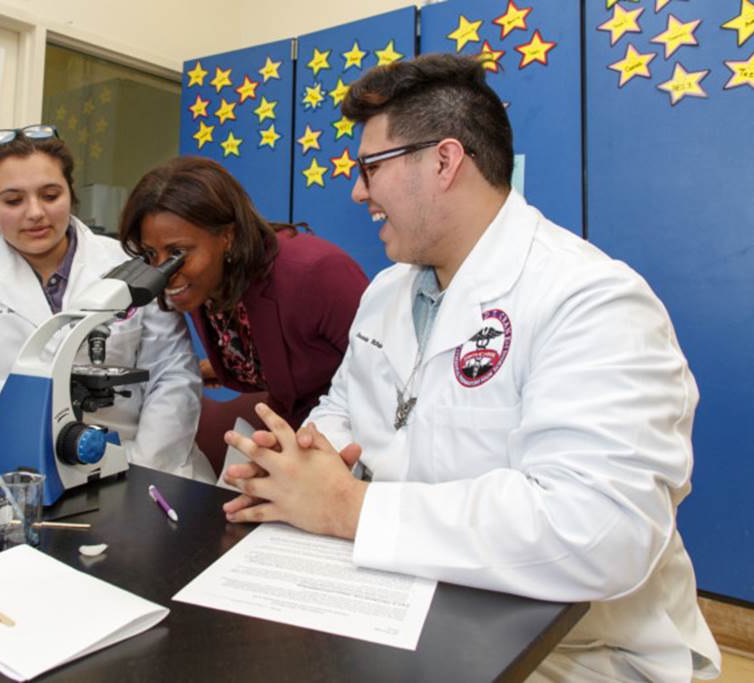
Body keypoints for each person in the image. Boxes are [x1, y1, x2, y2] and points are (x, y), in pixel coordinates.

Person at [221, 55, 720, 681]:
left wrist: (349, 507)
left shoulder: (590, 298)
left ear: (444, 160)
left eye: (368, 168)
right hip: (417, 610)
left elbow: (598, 532)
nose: (357, 191)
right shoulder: (386, 293)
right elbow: (344, 406)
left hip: (581, 653)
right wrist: (306, 462)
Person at [0, 125, 212, 482]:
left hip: (137, 458)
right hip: (14, 464)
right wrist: (46, 397)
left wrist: (145, 467)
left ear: (71, 192)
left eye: (50, 195)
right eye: (13, 200)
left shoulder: (131, 263)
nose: (35, 212)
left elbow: (173, 376)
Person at [116, 156, 368, 472]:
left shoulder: (315, 274)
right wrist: (203, 371)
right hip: (293, 425)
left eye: (177, 254)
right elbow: (267, 353)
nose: (163, 271)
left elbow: (387, 377)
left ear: (228, 237)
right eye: (152, 254)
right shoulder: (206, 286)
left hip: (353, 435)